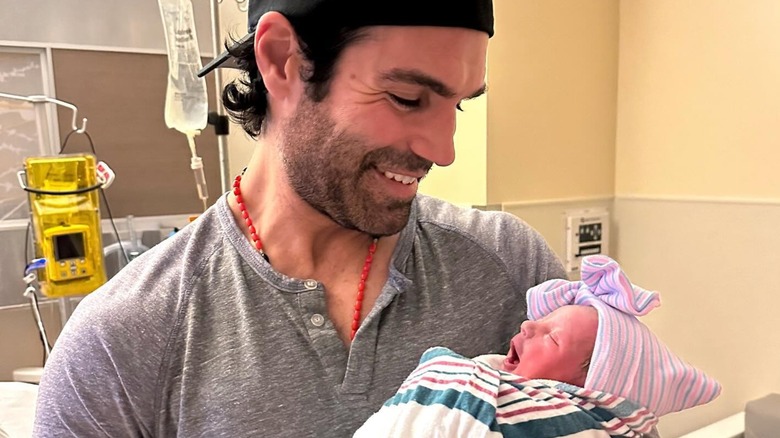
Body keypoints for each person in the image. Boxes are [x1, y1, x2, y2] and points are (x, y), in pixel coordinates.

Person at [33, 0, 568, 436]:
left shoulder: (511, 273)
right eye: (407, 98)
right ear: (282, 59)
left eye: (459, 105)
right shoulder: (125, 341)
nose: (443, 150)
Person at [354, 255, 722, 437]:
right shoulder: (484, 372)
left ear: (587, 389)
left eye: (552, 336)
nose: (528, 325)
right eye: (541, 323)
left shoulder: (576, 421)